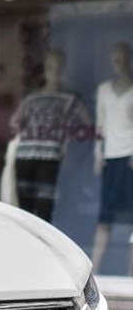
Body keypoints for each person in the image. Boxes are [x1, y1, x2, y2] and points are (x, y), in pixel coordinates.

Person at [8, 49, 90, 221]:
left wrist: (66, 138)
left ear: (63, 68)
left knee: (44, 206)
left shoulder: (70, 97)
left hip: (50, 156)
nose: (54, 70)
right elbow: (15, 122)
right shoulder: (32, 97)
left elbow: (88, 125)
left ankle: (42, 239)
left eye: (58, 66)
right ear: (45, 68)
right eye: (50, 66)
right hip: (25, 154)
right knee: (24, 208)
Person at [92, 43, 133, 272]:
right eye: (114, 58)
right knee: (105, 217)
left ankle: (130, 274)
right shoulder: (104, 90)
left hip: (130, 158)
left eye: (122, 57)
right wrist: (98, 153)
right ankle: (95, 271)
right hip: (111, 158)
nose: (118, 62)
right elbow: (100, 123)